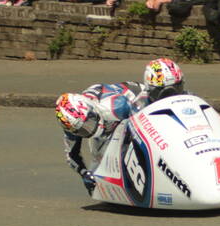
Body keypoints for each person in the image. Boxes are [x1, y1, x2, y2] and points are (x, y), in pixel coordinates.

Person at [56, 58, 189, 193]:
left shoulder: (118, 106)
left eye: (89, 123)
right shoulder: (73, 124)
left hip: (135, 101)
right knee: (97, 186)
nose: (88, 129)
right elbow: (71, 155)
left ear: (92, 110)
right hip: (109, 125)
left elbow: (145, 124)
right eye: (82, 131)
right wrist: (84, 173)